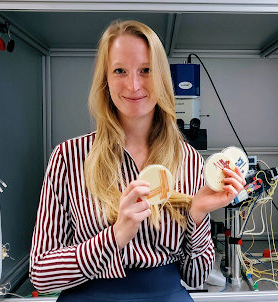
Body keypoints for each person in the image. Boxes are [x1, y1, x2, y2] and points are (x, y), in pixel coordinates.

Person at [29, 20, 245, 301]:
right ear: (105, 80)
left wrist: (198, 214)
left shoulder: (188, 160)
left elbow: (195, 276)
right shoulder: (68, 157)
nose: (133, 85)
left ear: (162, 78)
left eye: (146, 70)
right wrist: (116, 235)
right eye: (120, 71)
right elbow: (41, 273)